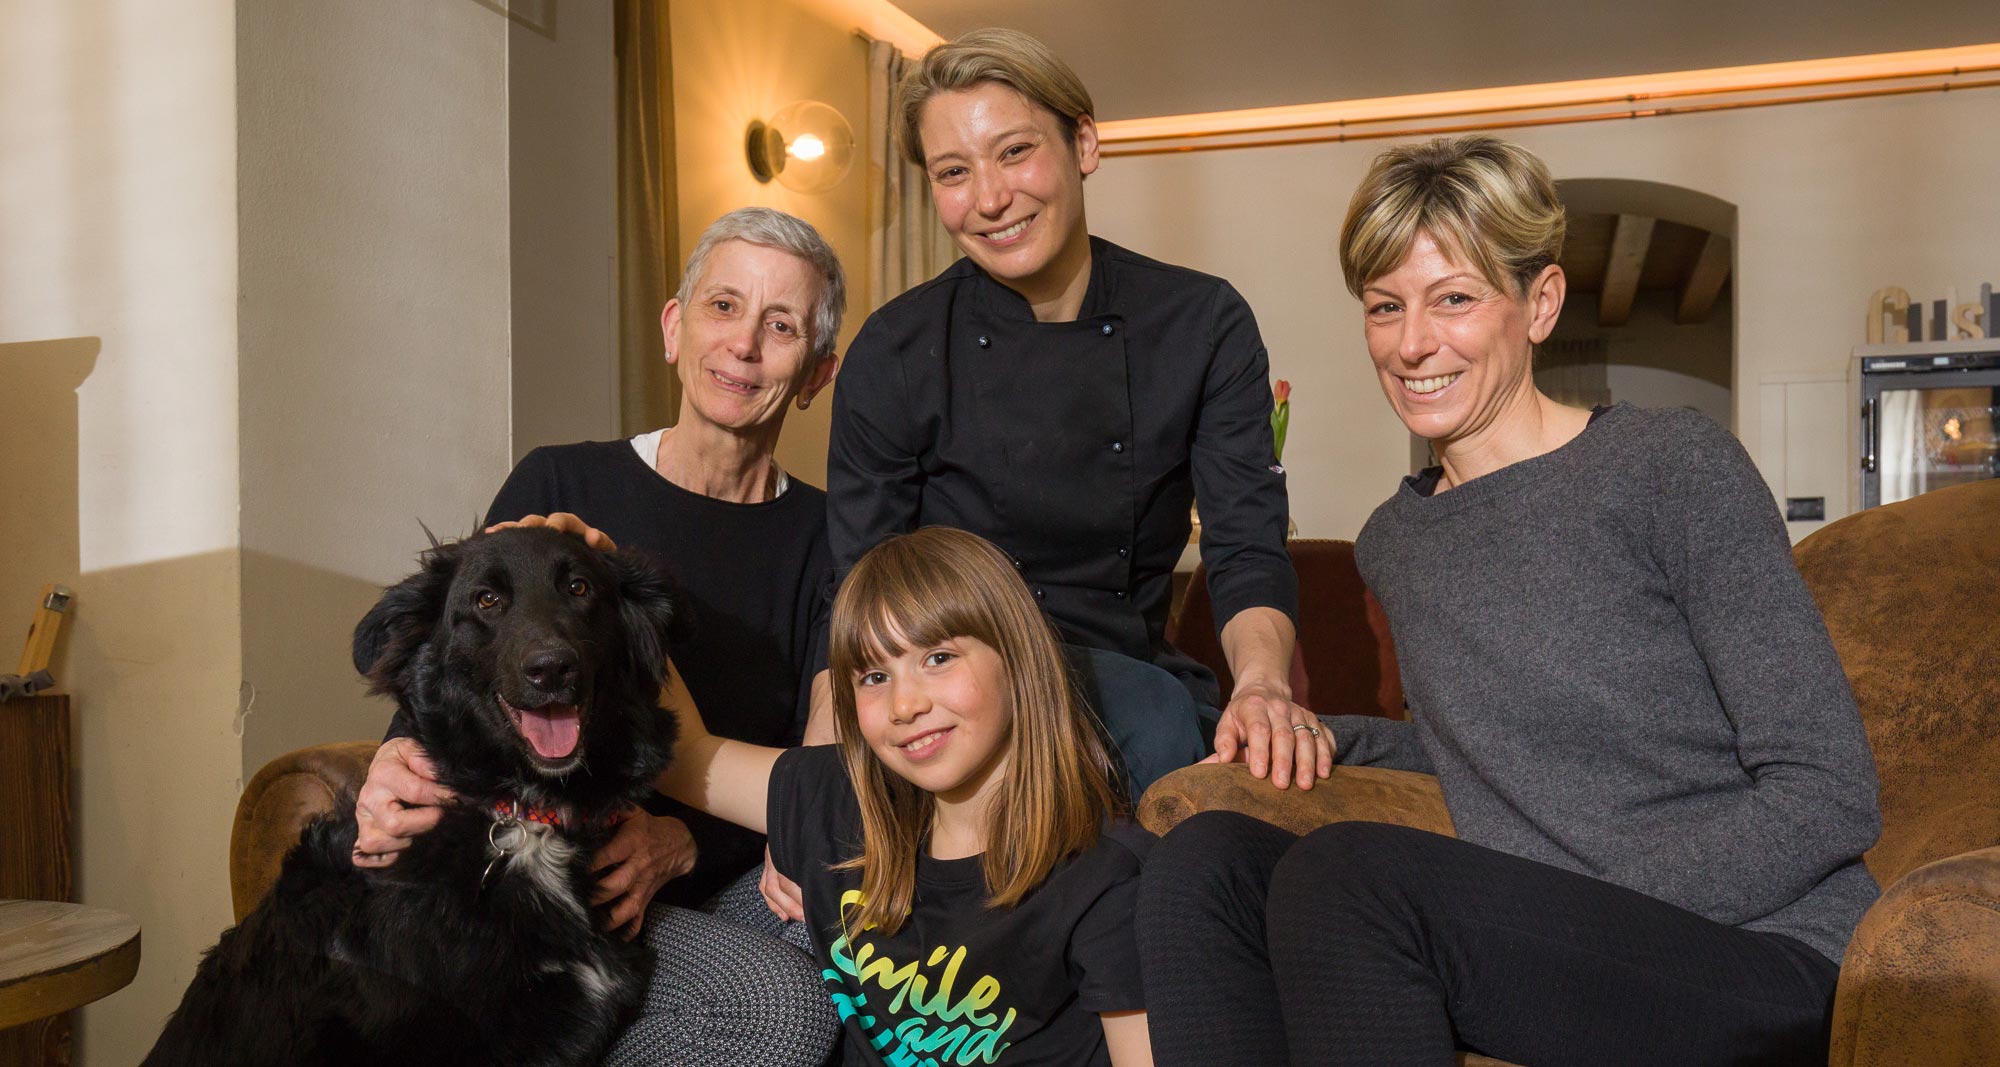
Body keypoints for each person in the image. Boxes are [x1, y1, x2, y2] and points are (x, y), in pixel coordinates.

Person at [1138, 136, 1883, 1066]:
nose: (1412, 343)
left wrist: (1590, 904)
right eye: (1385, 306)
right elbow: (1501, 751)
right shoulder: (1397, 540)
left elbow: (1828, 791)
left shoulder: (1671, 466)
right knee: (1199, 867)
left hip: (1761, 949)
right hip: (1562, 943)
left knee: (1350, 879)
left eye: (1453, 298)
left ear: (1542, 302)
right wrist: (1314, 732)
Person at [350, 207, 847, 1066]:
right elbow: (464, 646)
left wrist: (685, 843)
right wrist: (397, 758)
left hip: (719, 874)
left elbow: (817, 773)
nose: (742, 345)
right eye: (723, 306)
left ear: (816, 372)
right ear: (674, 327)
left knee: (848, 939)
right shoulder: (562, 482)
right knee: (781, 1010)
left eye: (781, 326)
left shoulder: (831, 539)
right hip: (555, 872)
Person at [826, 28, 1328, 799]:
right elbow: (863, 592)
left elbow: (1245, 545)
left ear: (1084, 144)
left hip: (1136, 678)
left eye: (1015, 152)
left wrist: (1262, 684)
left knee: (1177, 732)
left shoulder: (1199, 323)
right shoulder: (896, 349)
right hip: (955, 693)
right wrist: (825, 770)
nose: (990, 198)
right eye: (954, 171)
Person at [660, 526, 1155, 1066]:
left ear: (1017, 658)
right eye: (874, 676)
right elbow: (682, 752)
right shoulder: (840, 797)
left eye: (938, 658)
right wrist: (608, 582)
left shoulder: (1108, 878)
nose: (904, 705)